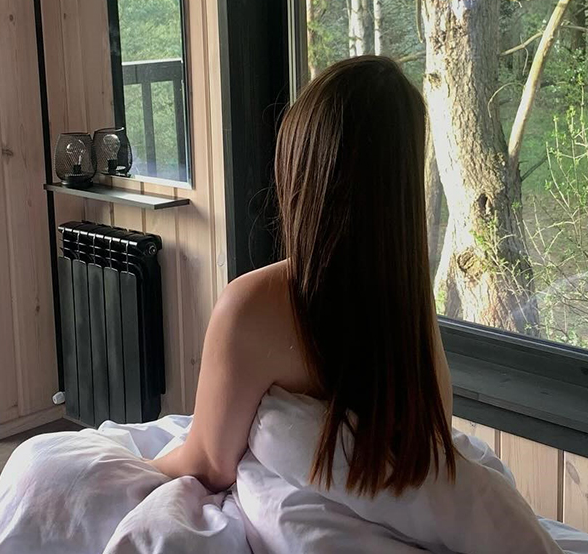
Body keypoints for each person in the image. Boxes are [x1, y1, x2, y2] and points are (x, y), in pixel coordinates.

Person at [154, 55, 456, 495]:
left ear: (304, 170)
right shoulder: (410, 306)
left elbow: (209, 467)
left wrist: (138, 465)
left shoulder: (252, 304)